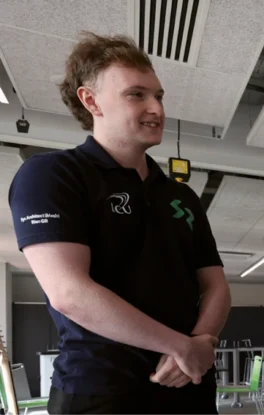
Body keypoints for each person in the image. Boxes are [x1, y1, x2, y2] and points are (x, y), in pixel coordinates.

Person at [7, 32, 229, 415]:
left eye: (158, 96)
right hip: (100, 392)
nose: (156, 108)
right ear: (91, 101)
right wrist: (180, 347)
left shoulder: (181, 196)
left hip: (188, 384)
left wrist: (201, 341)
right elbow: (69, 292)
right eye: (136, 94)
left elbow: (215, 284)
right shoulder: (53, 175)